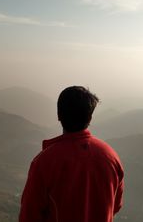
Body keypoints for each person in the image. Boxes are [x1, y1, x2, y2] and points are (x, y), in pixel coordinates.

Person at [19, 86, 124, 222]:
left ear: (58, 114)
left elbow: (29, 215)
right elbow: (115, 205)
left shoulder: (44, 162)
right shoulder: (111, 157)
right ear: (90, 117)